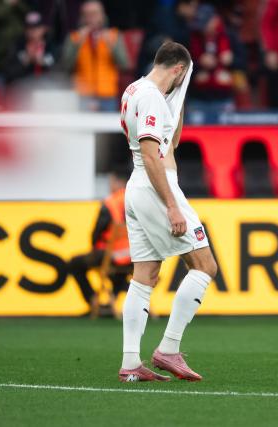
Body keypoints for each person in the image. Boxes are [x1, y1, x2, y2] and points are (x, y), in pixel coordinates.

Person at [118, 41, 217, 382]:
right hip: (155, 186)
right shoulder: (150, 97)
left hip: (137, 187)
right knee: (205, 265)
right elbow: (152, 155)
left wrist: (181, 96)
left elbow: (170, 141)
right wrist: (172, 206)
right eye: (184, 77)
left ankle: (131, 363)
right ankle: (169, 349)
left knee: (145, 275)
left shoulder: (134, 90)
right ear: (178, 70)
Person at [68, 168, 133, 318]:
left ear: (119, 182)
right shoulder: (139, 199)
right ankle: (112, 301)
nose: (110, 185)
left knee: (74, 264)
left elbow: (97, 231)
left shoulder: (110, 203)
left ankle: (93, 302)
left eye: (111, 182)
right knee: (119, 273)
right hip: (135, 256)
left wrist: (94, 247)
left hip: (112, 255)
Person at [60, 0, 130, 111]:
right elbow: (66, 67)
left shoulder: (113, 35)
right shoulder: (74, 37)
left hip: (107, 95)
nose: (91, 18)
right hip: (82, 95)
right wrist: (77, 45)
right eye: (87, 14)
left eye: (95, 13)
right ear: (82, 18)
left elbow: (125, 65)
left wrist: (112, 46)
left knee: (107, 128)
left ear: (102, 15)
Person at [4, 11, 59, 108]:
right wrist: (27, 60)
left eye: (36, 28)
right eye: (29, 28)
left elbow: (59, 71)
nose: (33, 31)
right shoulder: (18, 46)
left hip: (47, 94)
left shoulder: (51, 46)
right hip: (23, 94)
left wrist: (42, 61)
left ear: (43, 29)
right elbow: (9, 74)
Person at [189, 4, 235, 111]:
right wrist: (199, 63)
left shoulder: (229, 36)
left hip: (223, 97)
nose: (202, 28)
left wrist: (230, 61)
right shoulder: (192, 36)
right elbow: (182, 66)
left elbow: (242, 63)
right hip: (198, 97)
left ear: (215, 20)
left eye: (205, 24)